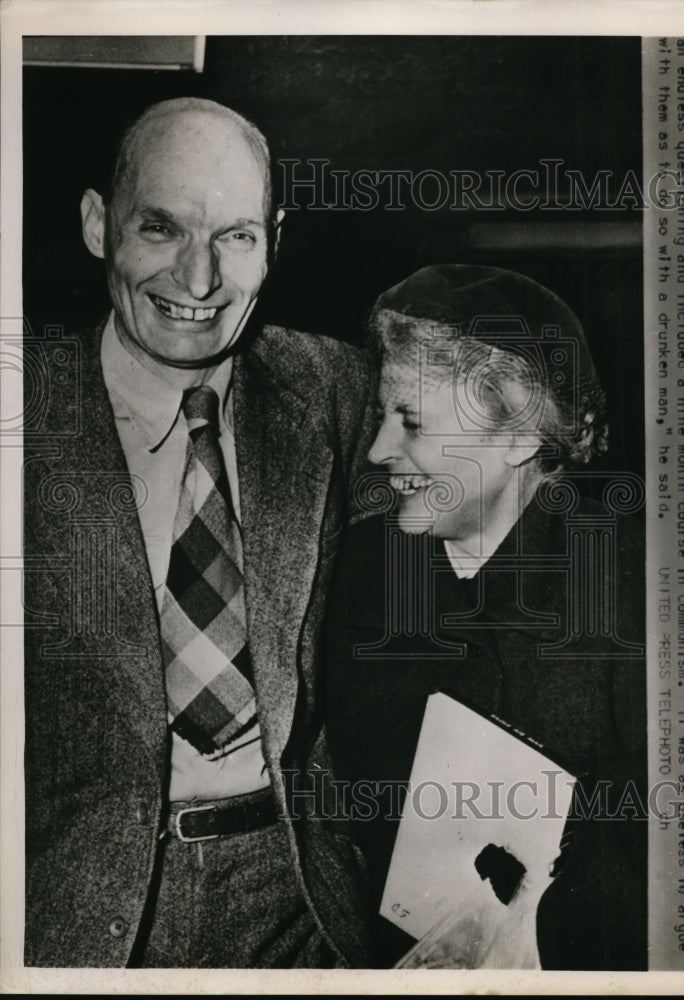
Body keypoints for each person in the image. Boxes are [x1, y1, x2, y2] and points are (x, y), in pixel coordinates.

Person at [23, 97, 376, 968]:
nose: (198, 279)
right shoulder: (23, 411)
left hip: (300, 898)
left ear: (274, 243)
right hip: (68, 905)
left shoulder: (337, 390)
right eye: (161, 228)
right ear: (98, 224)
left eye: (236, 237)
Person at [323, 264, 647, 970]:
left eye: (410, 421)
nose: (379, 450)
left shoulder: (635, 585)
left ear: (518, 438)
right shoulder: (362, 573)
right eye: (383, 416)